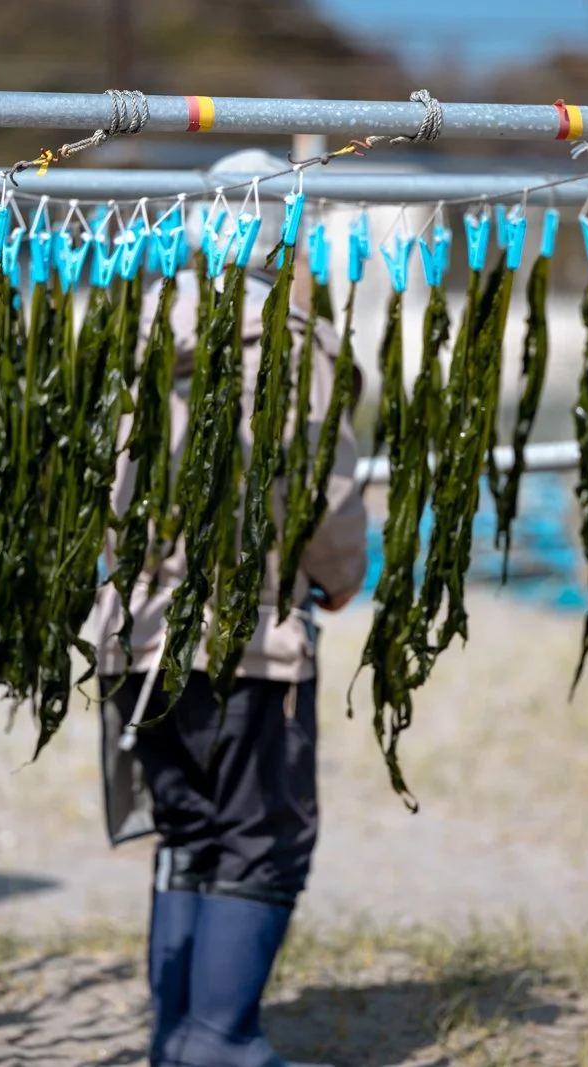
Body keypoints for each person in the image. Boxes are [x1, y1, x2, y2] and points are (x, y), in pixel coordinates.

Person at [91, 150, 369, 1067]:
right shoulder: (288, 344)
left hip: (134, 636)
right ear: (282, 237)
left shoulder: (126, 330)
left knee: (187, 828)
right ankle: (222, 1037)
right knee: (261, 834)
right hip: (248, 637)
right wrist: (338, 573)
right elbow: (322, 488)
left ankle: (178, 1035)